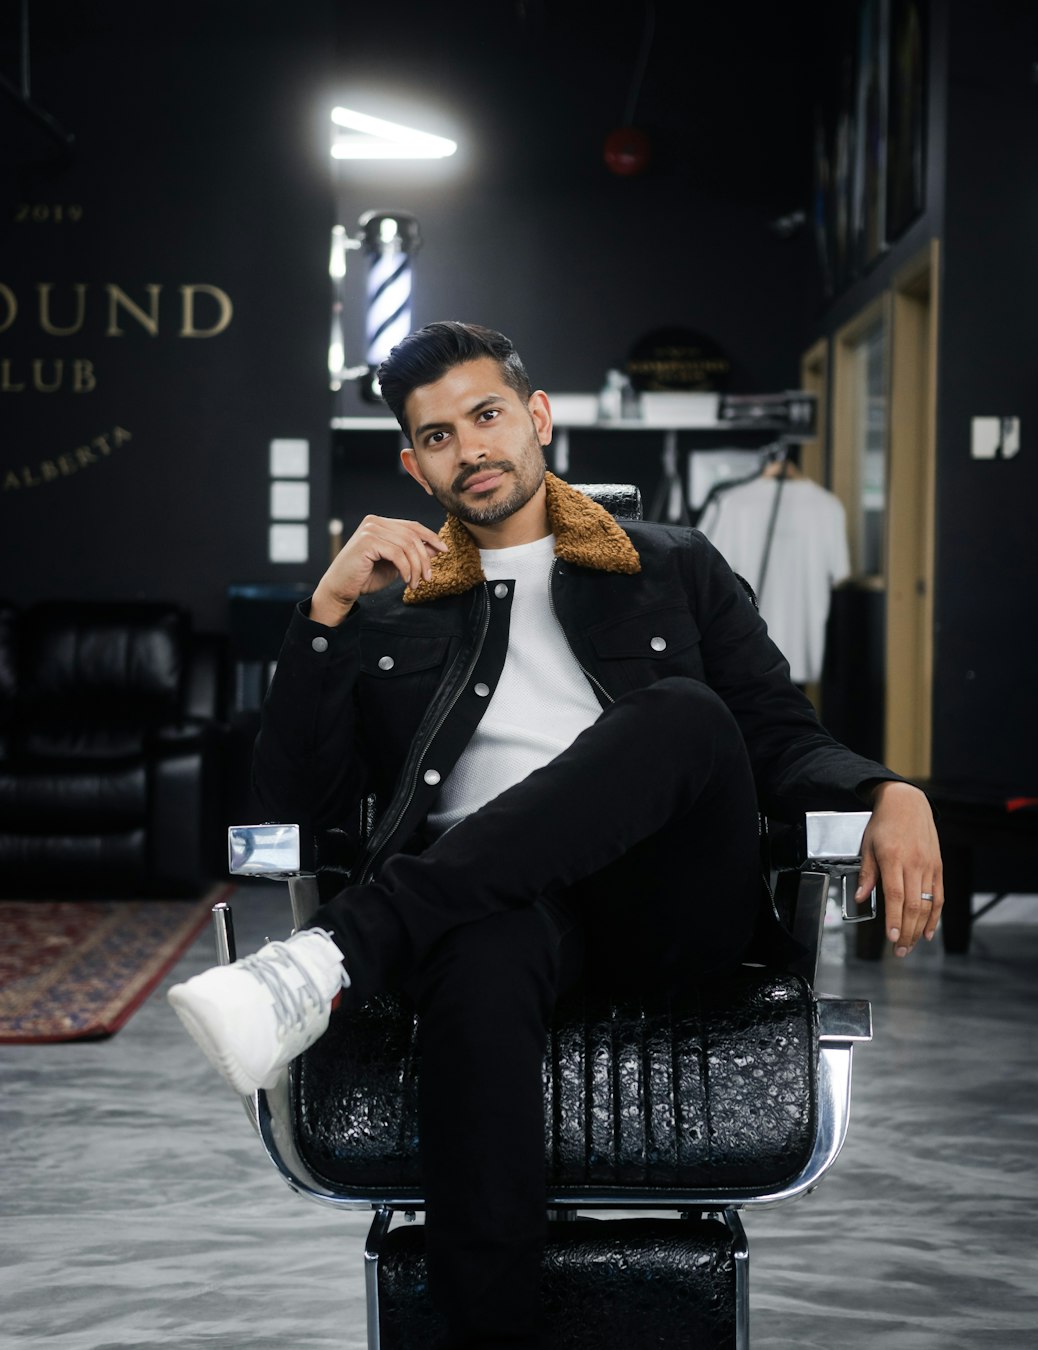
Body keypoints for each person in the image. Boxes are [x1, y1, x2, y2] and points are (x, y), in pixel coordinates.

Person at [170, 321, 943, 1350]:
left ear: (536, 418)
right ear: (412, 462)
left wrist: (891, 790)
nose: (470, 447)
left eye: (487, 415)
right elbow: (291, 812)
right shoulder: (388, 606)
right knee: (481, 951)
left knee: (683, 714)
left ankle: (326, 960)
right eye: (437, 435)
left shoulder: (673, 563)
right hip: (488, 914)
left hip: (669, 905)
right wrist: (323, 616)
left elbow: (775, 738)